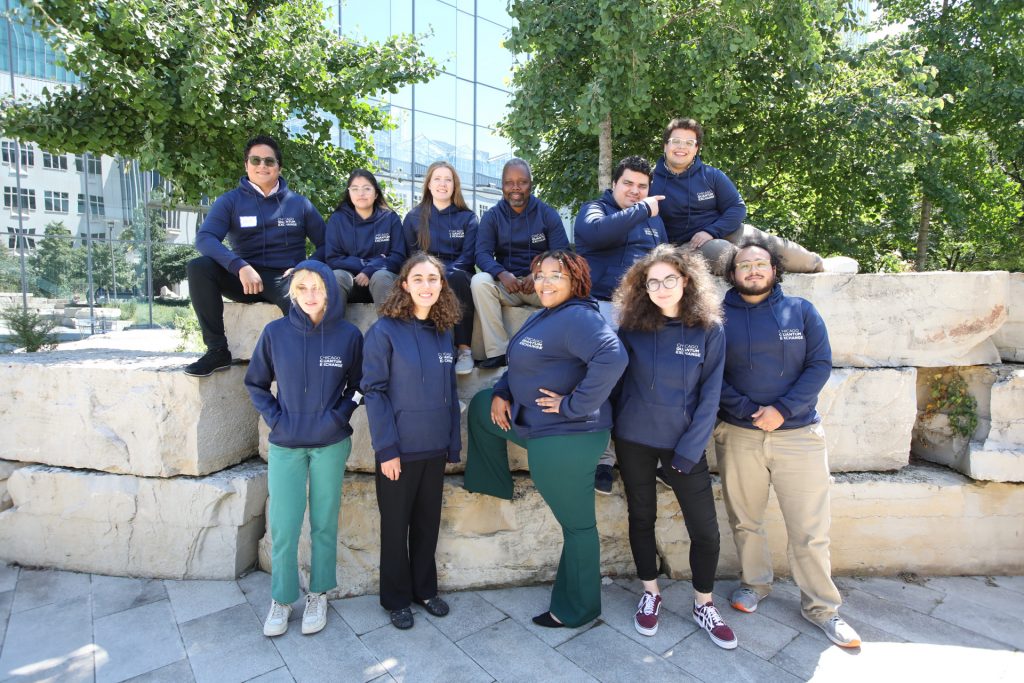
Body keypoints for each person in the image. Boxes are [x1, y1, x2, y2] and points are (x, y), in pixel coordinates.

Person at [465, 250, 627, 629]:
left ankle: (578, 608)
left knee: (578, 527)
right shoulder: (546, 314)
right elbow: (519, 361)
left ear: (576, 280)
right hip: (534, 423)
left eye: (556, 275)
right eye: (540, 275)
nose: (546, 282)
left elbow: (613, 357)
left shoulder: (578, 317)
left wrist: (574, 405)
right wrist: (504, 389)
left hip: (566, 435)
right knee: (483, 405)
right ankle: (493, 484)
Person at [716, 241, 861, 648]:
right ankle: (754, 585)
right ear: (732, 274)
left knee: (810, 529)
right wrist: (748, 410)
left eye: (760, 263)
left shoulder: (801, 312)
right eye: (744, 265)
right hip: (739, 434)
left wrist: (781, 409)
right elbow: (711, 374)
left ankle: (822, 608)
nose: (753, 270)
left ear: (775, 270)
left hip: (799, 436)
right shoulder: (717, 318)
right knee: (746, 519)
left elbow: (819, 365)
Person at [610, 244, 736, 648]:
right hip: (634, 440)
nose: (661, 288)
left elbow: (710, 396)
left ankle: (703, 603)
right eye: (652, 282)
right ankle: (650, 593)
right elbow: (612, 382)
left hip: (684, 445)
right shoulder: (631, 327)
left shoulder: (709, 329)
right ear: (643, 288)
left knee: (706, 531)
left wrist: (688, 450)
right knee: (641, 518)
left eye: (669, 280)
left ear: (685, 280)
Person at [244, 260, 363, 637]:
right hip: (287, 444)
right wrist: (277, 419)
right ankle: (281, 599)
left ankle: (318, 593)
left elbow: (360, 386)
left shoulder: (348, 336)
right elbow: (256, 384)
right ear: (294, 292)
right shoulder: (275, 333)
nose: (312, 294)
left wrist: (340, 415)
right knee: (284, 524)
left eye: (318, 287)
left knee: (324, 522)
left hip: (330, 442)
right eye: (304, 287)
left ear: (329, 290)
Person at [361, 253, 463, 630]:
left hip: (433, 448)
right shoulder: (384, 331)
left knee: (427, 524)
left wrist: (452, 443)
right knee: (395, 526)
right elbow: (374, 391)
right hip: (398, 452)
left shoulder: (443, 330)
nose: (426, 286)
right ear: (404, 285)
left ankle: (425, 590)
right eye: (418, 278)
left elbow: (449, 392)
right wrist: (386, 449)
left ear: (441, 285)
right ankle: (396, 598)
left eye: (433, 279)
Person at [185, 135, 327, 376]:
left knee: (301, 305)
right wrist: (238, 265)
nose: (262, 166)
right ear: (246, 165)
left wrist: (303, 268)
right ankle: (217, 351)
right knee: (199, 267)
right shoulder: (230, 201)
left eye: (269, 161)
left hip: (285, 277)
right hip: (243, 278)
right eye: (256, 160)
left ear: (279, 167)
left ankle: (305, 366)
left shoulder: (299, 204)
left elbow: (327, 245)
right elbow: (205, 238)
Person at [574, 154, 668, 494]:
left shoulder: (655, 222)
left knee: (653, 379)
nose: (635, 191)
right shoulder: (595, 210)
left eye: (643, 187)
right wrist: (643, 209)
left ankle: (655, 456)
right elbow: (594, 234)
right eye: (627, 183)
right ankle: (603, 458)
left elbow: (665, 259)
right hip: (602, 307)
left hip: (646, 310)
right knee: (604, 379)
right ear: (613, 184)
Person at [651, 117, 825, 275]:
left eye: (689, 142)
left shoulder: (711, 175)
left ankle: (818, 263)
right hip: (690, 245)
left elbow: (737, 207)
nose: (682, 147)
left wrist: (711, 231)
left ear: (696, 149)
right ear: (665, 145)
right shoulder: (650, 181)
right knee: (723, 253)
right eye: (676, 141)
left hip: (725, 230)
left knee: (779, 248)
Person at [471, 158, 570, 368]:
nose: (515, 188)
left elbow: (563, 253)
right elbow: (481, 253)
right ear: (502, 185)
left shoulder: (546, 214)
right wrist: (501, 273)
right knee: (479, 281)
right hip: (508, 285)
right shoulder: (492, 217)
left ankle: (557, 353)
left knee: (567, 288)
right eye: (509, 182)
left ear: (530, 184)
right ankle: (498, 352)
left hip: (540, 285)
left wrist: (539, 274)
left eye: (522, 182)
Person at [402, 161, 478, 375]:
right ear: (428, 184)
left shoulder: (468, 218)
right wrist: (429, 275)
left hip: (457, 272)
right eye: (437, 178)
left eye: (448, 179)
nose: (442, 184)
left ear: (455, 185)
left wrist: (441, 274)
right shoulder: (413, 217)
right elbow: (408, 256)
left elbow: (469, 256)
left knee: (459, 278)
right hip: (423, 272)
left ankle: (464, 350)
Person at [325, 169, 404, 312]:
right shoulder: (338, 219)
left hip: (381, 281)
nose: (361, 193)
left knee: (381, 276)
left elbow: (398, 257)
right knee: (336, 276)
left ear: (376, 193)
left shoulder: (390, 219)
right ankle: (332, 331)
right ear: (349, 193)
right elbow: (332, 258)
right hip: (350, 280)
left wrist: (371, 269)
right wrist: (364, 266)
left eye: (367, 188)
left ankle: (389, 332)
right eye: (355, 189)